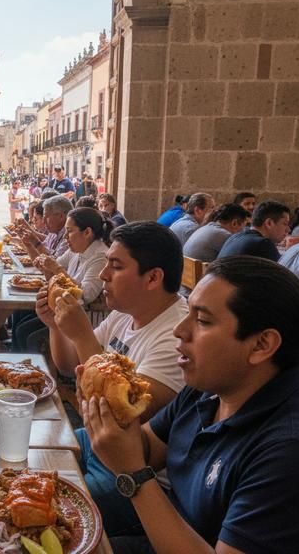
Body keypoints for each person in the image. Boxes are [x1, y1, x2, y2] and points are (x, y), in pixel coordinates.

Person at [83, 256, 299, 553]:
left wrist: (133, 472)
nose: (179, 330)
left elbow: (137, 464)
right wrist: (110, 411)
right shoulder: (208, 388)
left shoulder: (286, 449)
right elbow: (148, 448)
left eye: (202, 320)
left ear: (261, 345)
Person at [35, 221, 188, 536]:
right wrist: (55, 325)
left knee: (48, 506)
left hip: (136, 474)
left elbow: (120, 418)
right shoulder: (126, 312)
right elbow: (67, 366)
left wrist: (79, 334)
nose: (104, 274)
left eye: (115, 266)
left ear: (153, 277)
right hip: (98, 444)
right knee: (37, 449)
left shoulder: (176, 337)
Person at [15, 207, 111, 352]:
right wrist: (30, 247)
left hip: (81, 322)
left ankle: (41, 371)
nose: (65, 236)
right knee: (20, 320)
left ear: (87, 232)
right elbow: (50, 273)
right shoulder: (76, 250)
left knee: (26, 333)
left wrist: (56, 268)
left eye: (70, 231)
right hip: (61, 311)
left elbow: (85, 295)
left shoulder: (99, 256)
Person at [217, 200, 290, 262]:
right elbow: (286, 273)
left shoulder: (235, 237)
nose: (288, 229)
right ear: (269, 223)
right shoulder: (263, 244)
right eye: (285, 224)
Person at [183, 203, 248, 262]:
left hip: (188, 273)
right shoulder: (225, 236)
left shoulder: (206, 227)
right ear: (234, 223)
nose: (243, 230)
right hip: (201, 274)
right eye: (243, 226)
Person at [20, 195, 73, 260]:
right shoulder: (53, 233)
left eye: (46, 216)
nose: (44, 221)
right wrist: (28, 244)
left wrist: (35, 242)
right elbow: (39, 256)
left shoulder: (69, 236)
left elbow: (53, 265)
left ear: (61, 216)